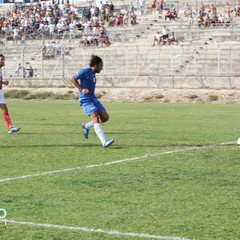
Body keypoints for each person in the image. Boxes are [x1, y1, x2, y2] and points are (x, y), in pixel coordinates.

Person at [70, 55, 114, 148]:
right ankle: (104, 142)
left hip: (93, 98)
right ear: (96, 65)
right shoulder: (86, 71)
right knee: (96, 118)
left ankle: (86, 126)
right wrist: (81, 89)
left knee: (105, 117)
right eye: (101, 66)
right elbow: (73, 79)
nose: (102, 68)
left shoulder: (93, 74)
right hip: (85, 100)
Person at [0, 54, 21, 134]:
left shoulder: (0, 70)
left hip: (0, 91)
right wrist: (3, 82)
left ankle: (10, 127)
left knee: (5, 109)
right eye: (2, 60)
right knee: (4, 109)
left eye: (4, 60)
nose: (3, 61)